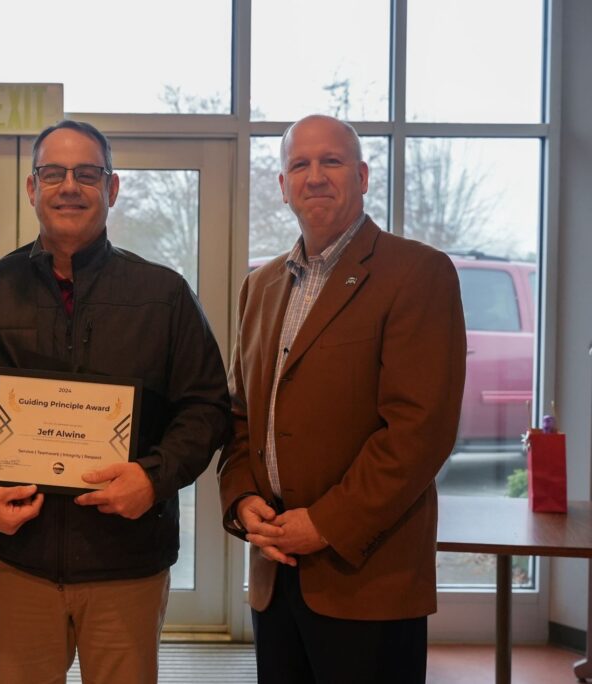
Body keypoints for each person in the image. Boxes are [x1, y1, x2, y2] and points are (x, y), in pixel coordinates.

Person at [0, 120, 230, 683]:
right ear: (32, 189)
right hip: (20, 564)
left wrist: (153, 478)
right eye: (53, 173)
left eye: (87, 173)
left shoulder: (164, 295)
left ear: (111, 190)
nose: (70, 186)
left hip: (127, 564)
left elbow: (206, 408)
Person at [217, 114, 467, 684]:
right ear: (282, 186)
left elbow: (418, 432)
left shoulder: (417, 273)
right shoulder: (260, 286)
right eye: (298, 165)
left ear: (361, 175)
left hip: (366, 576)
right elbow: (239, 419)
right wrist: (241, 501)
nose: (315, 177)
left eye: (330, 162)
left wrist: (326, 523)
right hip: (275, 571)